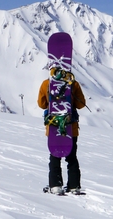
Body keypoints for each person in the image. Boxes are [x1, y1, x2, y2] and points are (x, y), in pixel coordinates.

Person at [37, 67, 86, 195]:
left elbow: (41, 104)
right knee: (72, 157)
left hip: (54, 127)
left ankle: (55, 185)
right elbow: (81, 104)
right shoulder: (73, 83)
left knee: (54, 156)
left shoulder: (46, 84)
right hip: (71, 127)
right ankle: (74, 186)